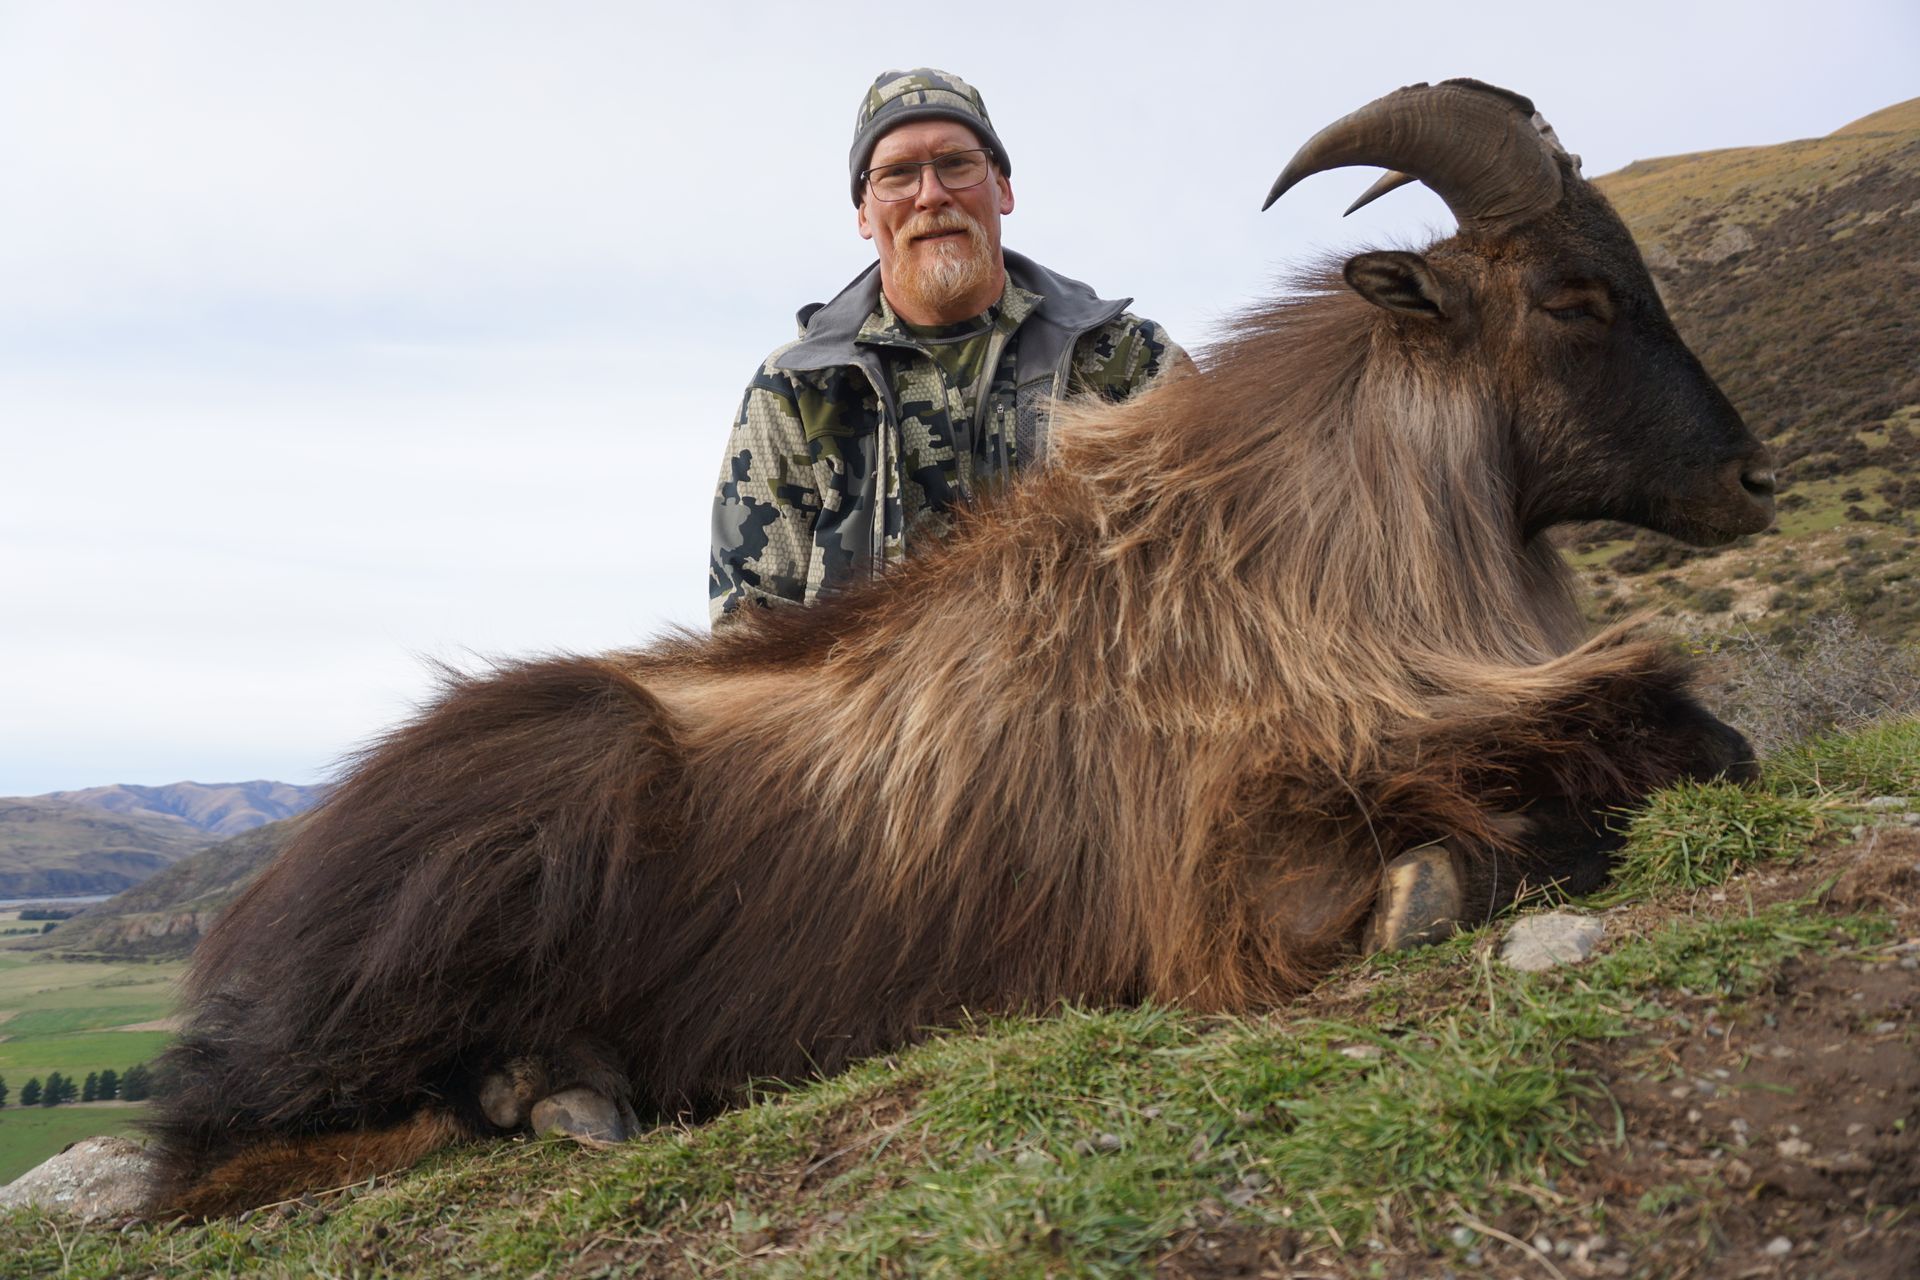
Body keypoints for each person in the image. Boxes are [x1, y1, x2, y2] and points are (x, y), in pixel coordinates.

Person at [708, 68, 1188, 626]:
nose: (930, 195)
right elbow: (749, 643)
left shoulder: (1132, 359)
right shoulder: (795, 388)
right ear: (864, 212)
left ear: (1003, 188)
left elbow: (1219, 566)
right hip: (878, 714)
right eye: (897, 175)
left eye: (957, 164)